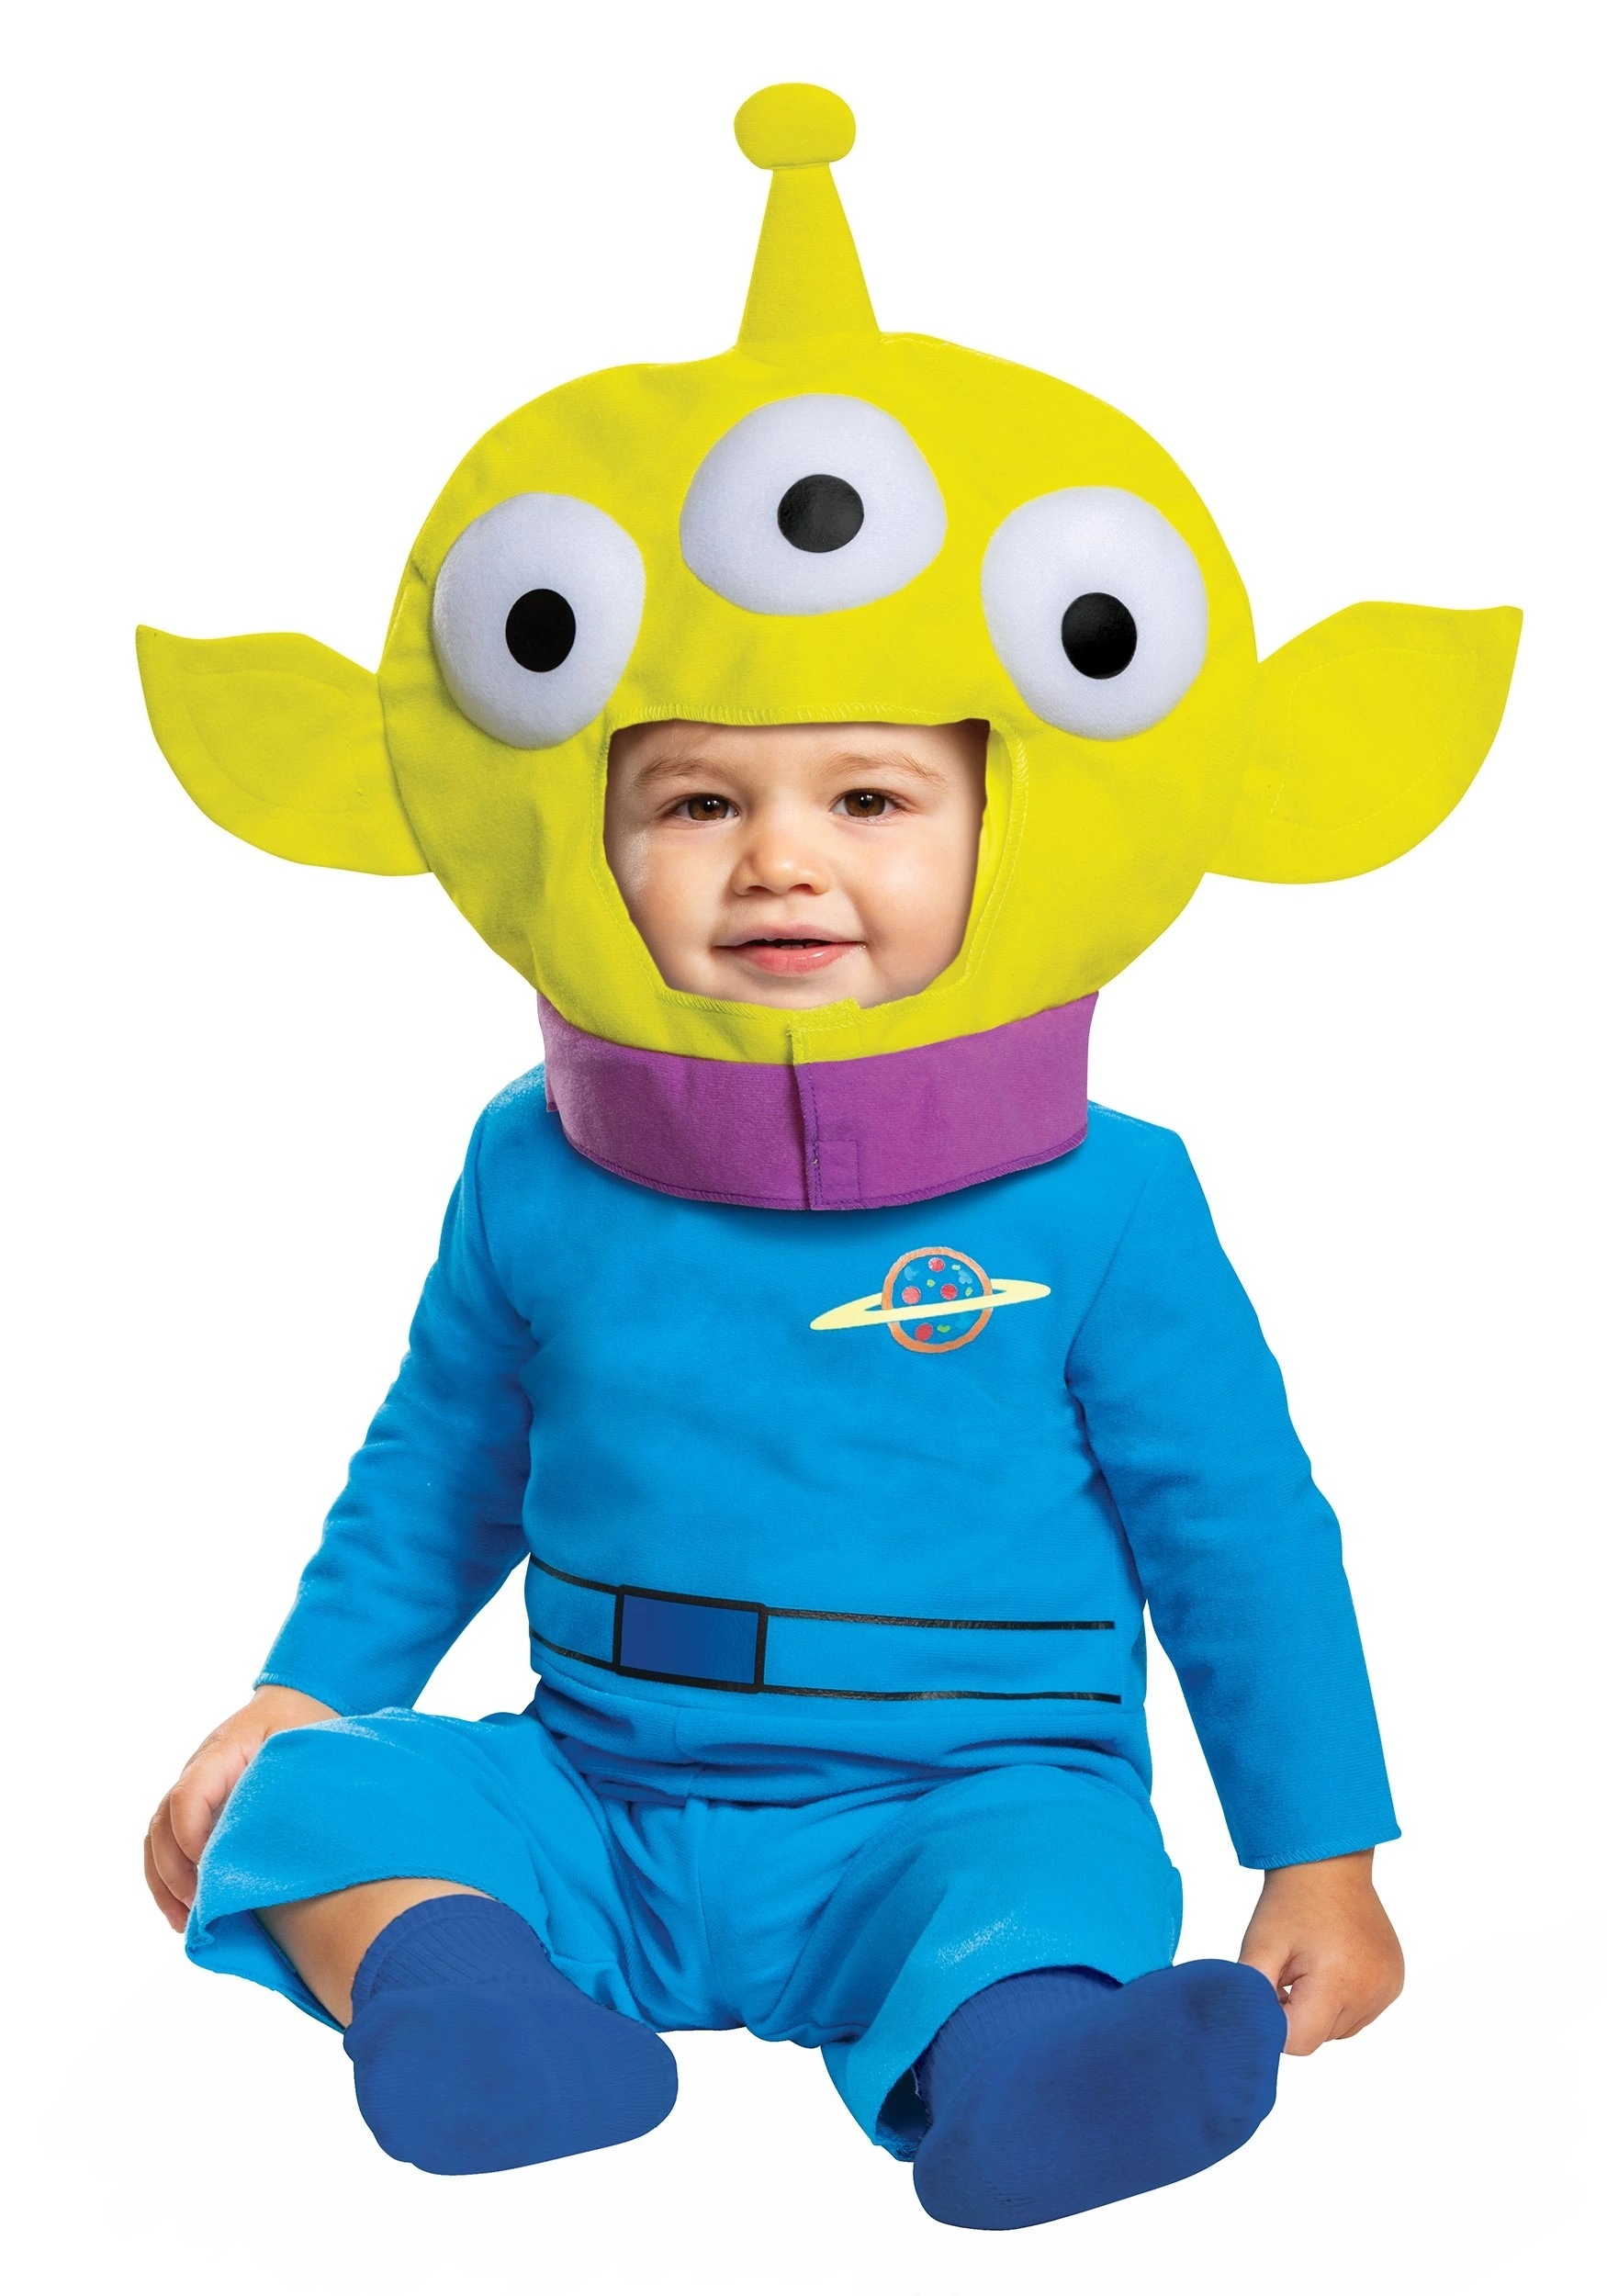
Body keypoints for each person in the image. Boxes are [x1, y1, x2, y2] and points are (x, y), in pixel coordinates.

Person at [137, 84, 1515, 2228]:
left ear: (1003, 824)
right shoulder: (532, 1166)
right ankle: (471, 2003)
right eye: (698, 801)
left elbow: (1238, 1530)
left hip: (963, 1794)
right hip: (600, 1781)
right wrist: (306, 1690)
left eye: (868, 798)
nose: (780, 858)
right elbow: (437, 1461)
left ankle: (1028, 2067)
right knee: (294, 1802)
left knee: (1055, 1882)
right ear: (591, 832)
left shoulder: (1105, 1199)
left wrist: (1317, 1851)